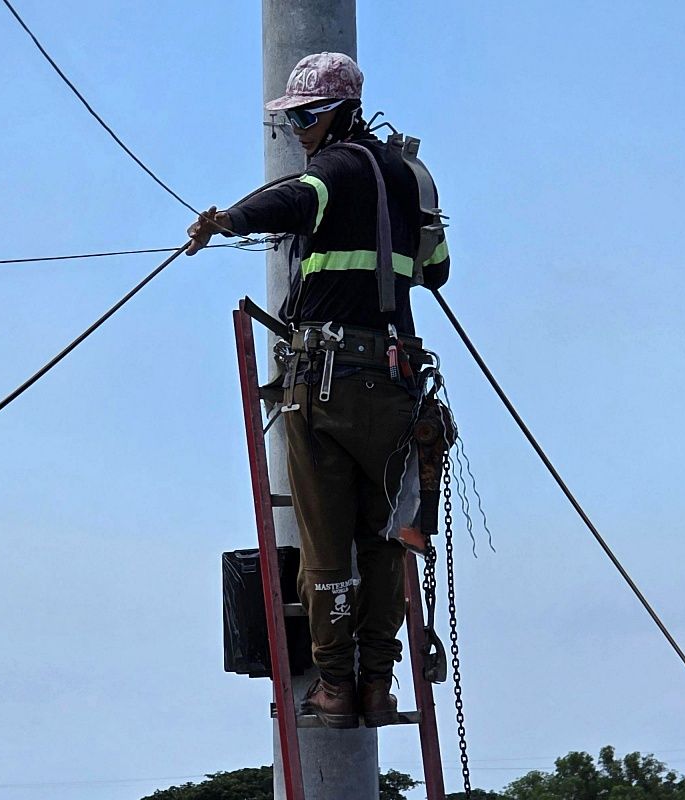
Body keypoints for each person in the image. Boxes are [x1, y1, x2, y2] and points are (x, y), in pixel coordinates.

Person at [188, 52, 450, 729]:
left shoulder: (330, 171)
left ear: (338, 112)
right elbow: (437, 270)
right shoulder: (411, 177)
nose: (298, 132)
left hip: (327, 385)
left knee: (327, 545)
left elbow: (291, 202)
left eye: (304, 118)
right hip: (396, 387)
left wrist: (224, 221)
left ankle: (335, 685)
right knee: (385, 540)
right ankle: (378, 684)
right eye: (291, 121)